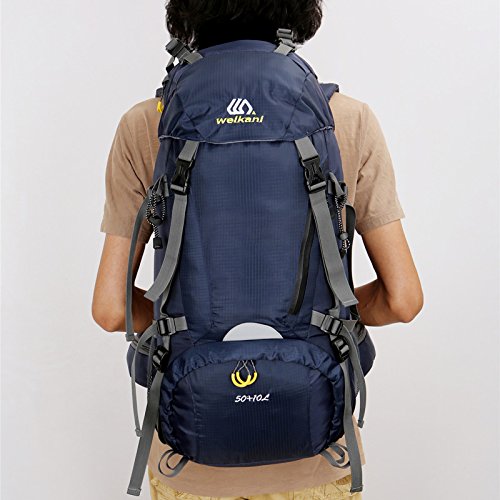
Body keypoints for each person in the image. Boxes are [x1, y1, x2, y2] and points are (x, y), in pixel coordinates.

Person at [92, 1, 424, 498]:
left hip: (188, 456)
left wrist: (178, 325)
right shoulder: (345, 119)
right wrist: (326, 318)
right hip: (317, 451)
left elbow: (110, 309)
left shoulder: (148, 124)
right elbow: (404, 300)